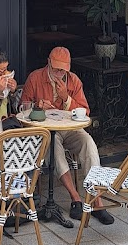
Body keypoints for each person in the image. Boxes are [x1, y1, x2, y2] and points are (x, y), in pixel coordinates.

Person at [21, 46, 114, 224]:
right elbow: (22, 107)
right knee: (54, 146)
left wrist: (66, 99)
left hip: (70, 128)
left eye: (62, 70)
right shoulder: (35, 77)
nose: (58, 73)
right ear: (48, 63)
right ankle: (75, 198)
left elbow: (84, 111)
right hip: (46, 131)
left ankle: (96, 200)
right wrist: (38, 105)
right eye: (55, 68)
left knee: (89, 143)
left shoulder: (73, 81)